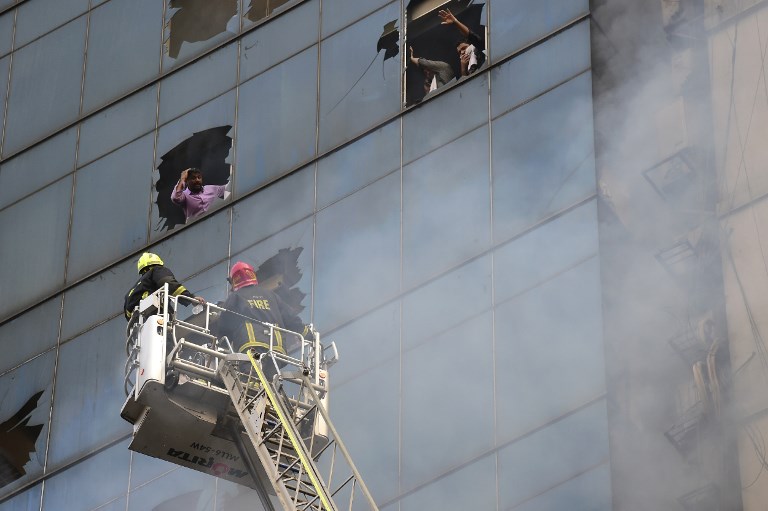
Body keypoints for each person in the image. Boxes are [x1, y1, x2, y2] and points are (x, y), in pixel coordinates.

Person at [214, 261, 313, 381]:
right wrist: (306, 333)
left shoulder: (236, 297)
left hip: (251, 347)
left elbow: (225, 324)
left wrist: (222, 346)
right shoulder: (271, 295)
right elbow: (290, 317)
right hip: (276, 348)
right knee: (269, 382)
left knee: (250, 381)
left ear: (235, 280)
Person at [124, 252, 205, 321]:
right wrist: (191, 298)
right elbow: (169, 284)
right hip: (158, 318)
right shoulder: (157, 270)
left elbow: (129, 317)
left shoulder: (129, 294)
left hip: (143, 330)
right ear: (158, 263)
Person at [438, 8, 486, 76]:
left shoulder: (480, 51)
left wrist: (455, 22)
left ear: (471, 45)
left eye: (464, 48)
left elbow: (471, 35)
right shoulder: (469, 68)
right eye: (459, 52)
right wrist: (463, 68)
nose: (462, 52)